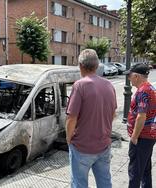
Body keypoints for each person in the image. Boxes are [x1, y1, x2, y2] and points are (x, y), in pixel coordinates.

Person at [66, 49, 117, 188]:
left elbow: (71, 118)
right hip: (104, 145)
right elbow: (113, 113)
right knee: (105, 182)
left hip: (82, 147)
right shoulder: (109, 85)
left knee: (79, 183)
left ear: (81, 66)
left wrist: (69, 139)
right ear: (96, 65)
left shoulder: (80, 85)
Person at [124, 63, 156, 188]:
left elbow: (141, 116)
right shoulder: (150, 88)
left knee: (135, 172)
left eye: (130, 76)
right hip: (149, 136)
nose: (129, 78)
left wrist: (134, 137)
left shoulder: (143, 91)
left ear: (136, 76)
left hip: (142, 137)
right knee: (145, 170)